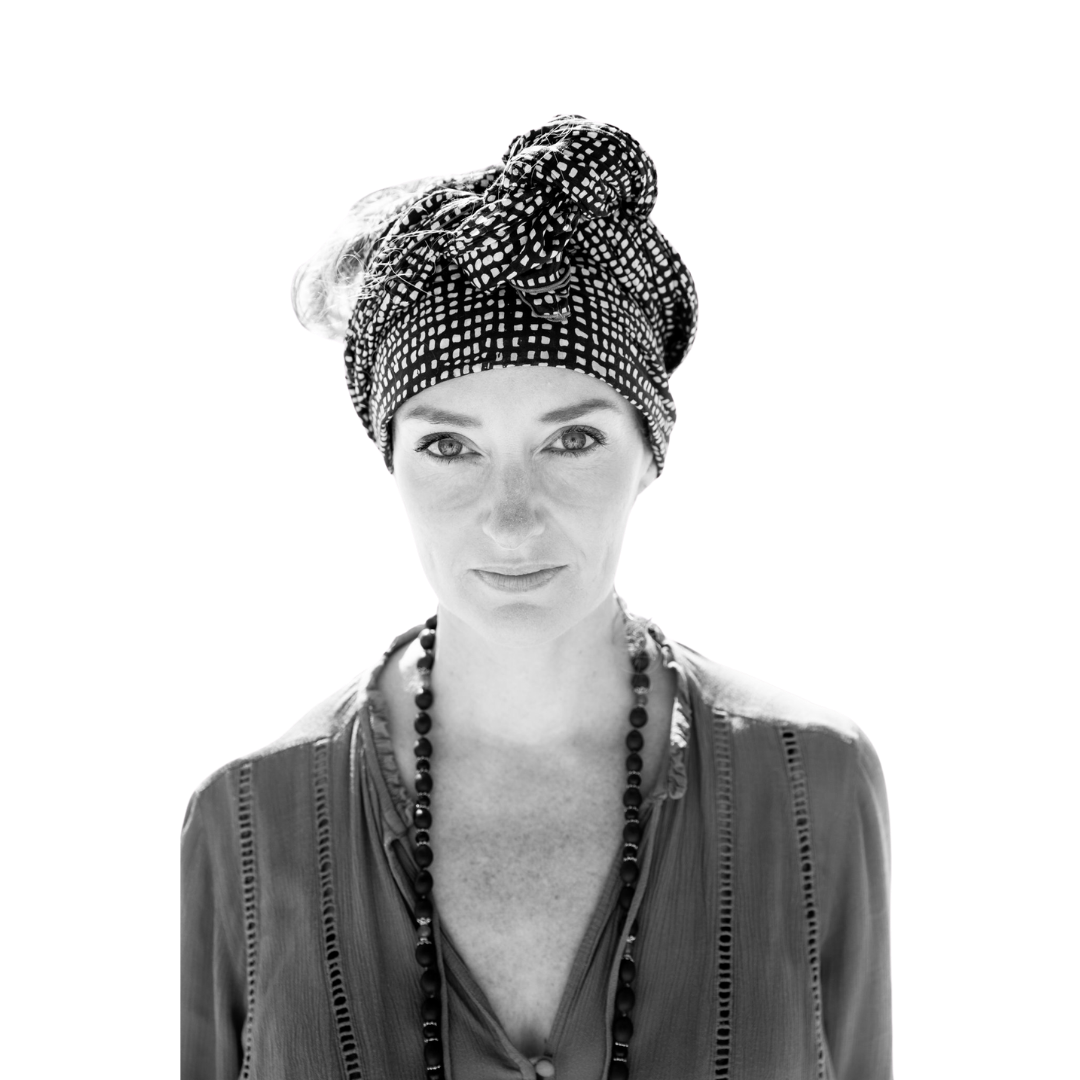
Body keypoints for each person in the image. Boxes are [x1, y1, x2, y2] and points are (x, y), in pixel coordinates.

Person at [181, 113, 892, 1079]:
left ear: (650, 453)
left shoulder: (817, 782)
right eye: (449, 446)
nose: (511, 520)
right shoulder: (245, 822)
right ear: (390, 464)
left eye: (572, 440)